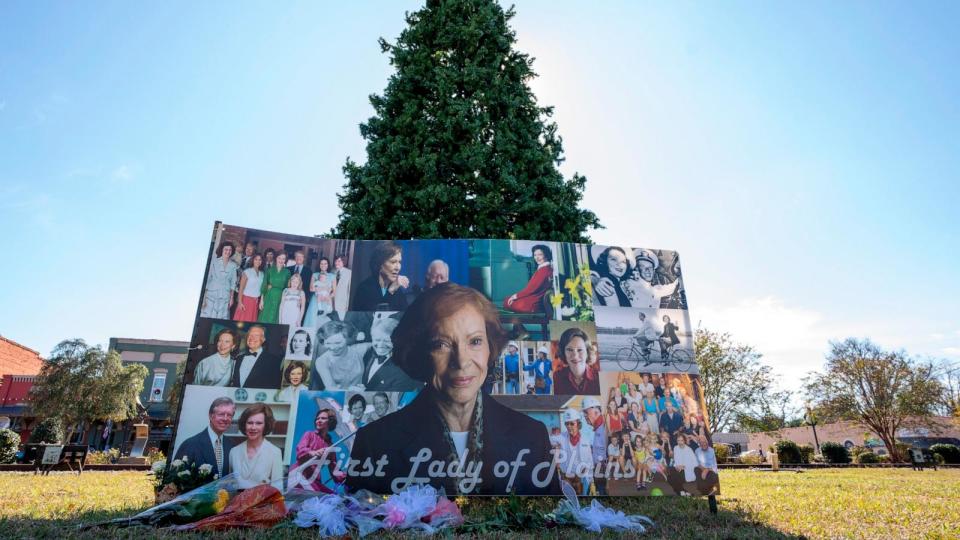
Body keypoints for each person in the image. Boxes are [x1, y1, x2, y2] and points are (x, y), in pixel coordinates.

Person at [347, 282, 560, 495]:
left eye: (475, 341)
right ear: (418, 353)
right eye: (441, 344)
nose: (461, 361)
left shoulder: (533, 436)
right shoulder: (374, 444)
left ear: (490, 348)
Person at [174, 397, 235, 478]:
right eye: (221, 414)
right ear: (210, 416)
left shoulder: (231, 445)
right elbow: (176, 480)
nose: (225, 418)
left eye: (229, 415)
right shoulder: (190, 444)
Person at [288, 408, 346, 492]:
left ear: (330, 421)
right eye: (317, 418)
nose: (318, 420)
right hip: (299, 475)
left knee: (333, 497)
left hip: (313, 480)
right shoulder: (309, 434)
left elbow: (334, 470)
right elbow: (300, 451)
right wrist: (313, 452)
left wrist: (349, 479)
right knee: (323, 498)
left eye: (323, 418)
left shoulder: (330, 447)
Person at [229, 403, 284, 490]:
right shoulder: (234, 452)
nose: (253, 427)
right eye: (250, 423)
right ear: (244, 424)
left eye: (258, 423)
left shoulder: (275, 452)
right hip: (236, 503)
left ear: (265, 425)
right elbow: (230, 486)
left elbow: (278, 490)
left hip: (263, 503)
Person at [361, 315, 421, 391]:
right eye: (377, 340)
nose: (380, 345)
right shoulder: (368, 353)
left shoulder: (404, 370)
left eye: (386, 341)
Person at [353, 241, 409, 311]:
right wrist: (391, 291)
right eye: (393, 262)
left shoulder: (398, 290)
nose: (398, 267)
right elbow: (376, 316)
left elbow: (405, 316)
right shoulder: (364, 289)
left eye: (399, 262)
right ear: (379, 264)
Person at [312, 321, 367, 390]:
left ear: (347, 339)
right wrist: (353, 390)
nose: (333, 347)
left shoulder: (359, 350)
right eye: (328, 343)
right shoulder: (322, 361)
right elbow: (331, 388)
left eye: (338, 343)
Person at [502, 244, 553, 313]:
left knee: (507, 301)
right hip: (534, 301)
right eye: (535, 255)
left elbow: (531, 289)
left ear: (546, 255)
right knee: (507, 300)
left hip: (532, 304)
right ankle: (517, 323)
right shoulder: (545, 269)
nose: (537, 258)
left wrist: (515, 296)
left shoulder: (544, 270)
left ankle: (517, 323)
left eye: (540, 254)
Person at [552, 328, 600, 395]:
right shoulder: (556, 377)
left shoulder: (599, 377)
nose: (575, 356)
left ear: (587, 352)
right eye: (569, 349)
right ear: (563, 352)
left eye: (580, 350)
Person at [558, 408, 594, 496]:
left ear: (578, 423)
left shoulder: (585, 439)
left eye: (572, 423)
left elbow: (589, 461)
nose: (569, 426)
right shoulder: (561, 437)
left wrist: (591, 481)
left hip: (580, 478)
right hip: (566, 477)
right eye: (566, 424)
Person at [200, 241, 239, 319]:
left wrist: (231, 298)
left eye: (230, 250)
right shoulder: (214, 262)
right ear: (222, 250)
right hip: (211, 294)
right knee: (208, 315)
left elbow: (233, 283)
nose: (228, 252)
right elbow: (208, 280)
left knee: (222, 316)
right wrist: (203, 298)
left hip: (225, 295)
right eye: (226, 249)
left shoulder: (233, 265)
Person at [581, 396, 607, 496]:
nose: (585, 416)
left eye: (586, 412)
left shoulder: (604, 427)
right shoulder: (598, 428)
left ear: (596, 411)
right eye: (584, 413)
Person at [258, 252, 289, 324]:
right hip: (268, 295)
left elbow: (288, 288)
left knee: (275, 317)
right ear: (276, 258)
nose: (281, 260)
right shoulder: (269, 270)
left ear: (285, 260)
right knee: (265, 316)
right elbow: (264, 285)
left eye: (283, 259)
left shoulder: (287, 272)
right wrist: (261, 300)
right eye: (279, 258)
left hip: (280, 297)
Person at [304, 257, 335, 327]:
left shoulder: (332, 276)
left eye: (325, 264)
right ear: (319, 265)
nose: (323, 265)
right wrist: (321, 288)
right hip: (316, 300)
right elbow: (311, 289)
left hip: (326, 300)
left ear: (328, 265)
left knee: (323, 321)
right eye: (321, 264)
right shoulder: (315, 275)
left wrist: (327, 297)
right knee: (313, 319)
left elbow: (334, 292)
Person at [233, 254, 263, 322]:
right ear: (253, 260)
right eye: (256, 259)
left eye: (260, 260)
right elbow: (241, 288)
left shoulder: (262, 274)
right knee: (241, 320)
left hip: (255, 302)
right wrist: (240, 302)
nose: (258, 261)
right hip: (245, 300)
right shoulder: (247, 272)